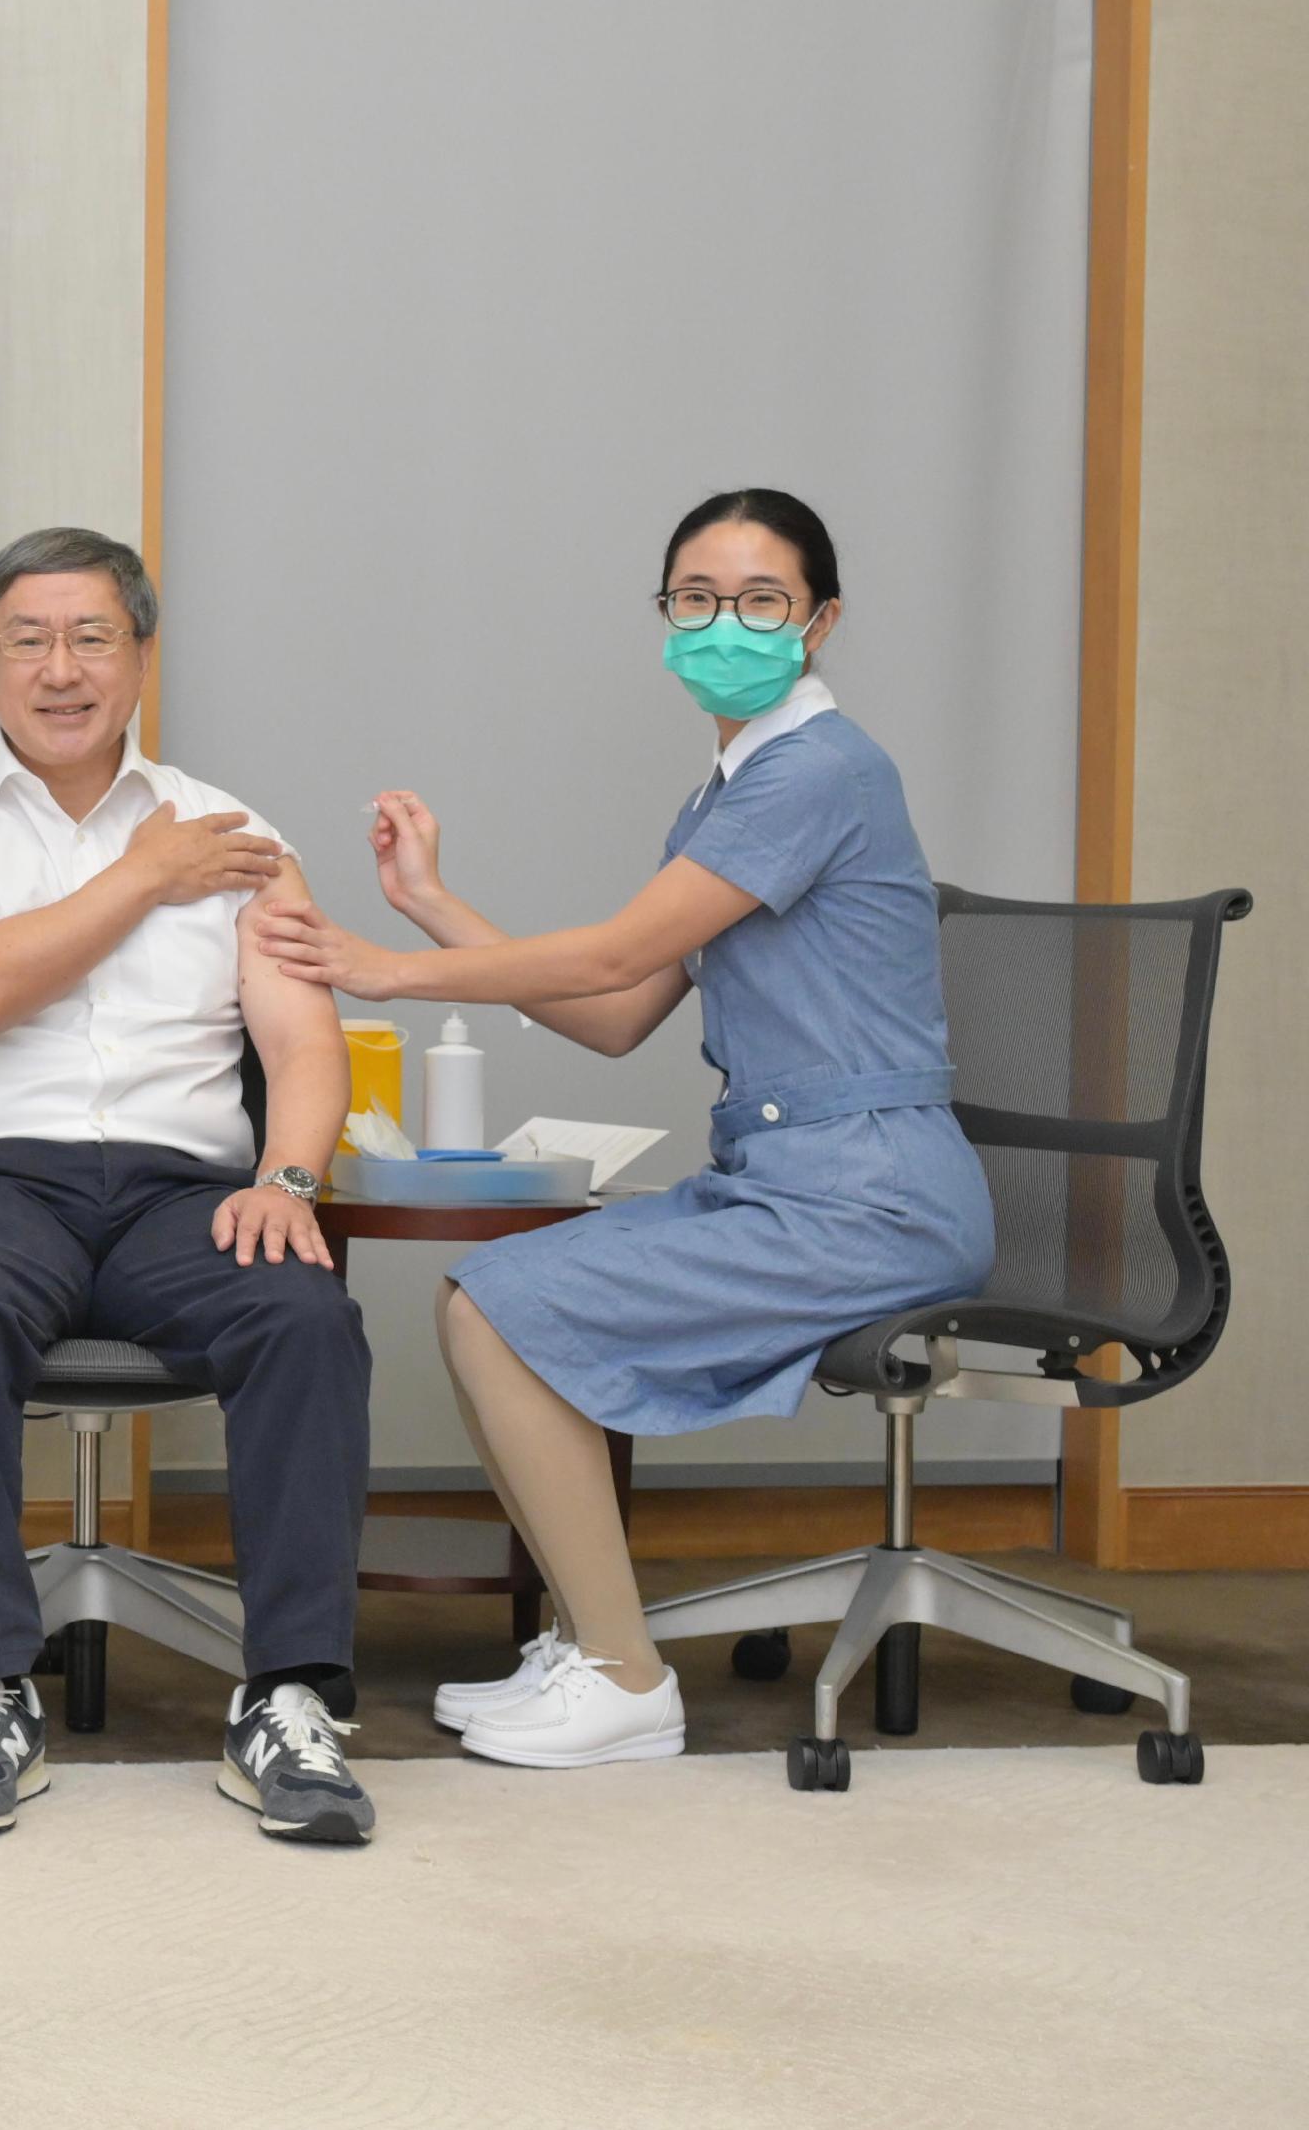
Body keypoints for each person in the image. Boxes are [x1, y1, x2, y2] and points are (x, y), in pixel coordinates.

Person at [254, 489, 988, 1771]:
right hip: (794, 1176)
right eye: (695, 599)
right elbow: (616, 1010)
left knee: (496, 1306)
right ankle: (593, 1647)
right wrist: (430, 904)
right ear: (664, 617)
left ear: (817, 622)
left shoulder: (816, 772)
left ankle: (623, 1674)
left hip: (868, 1190)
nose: (725, 624)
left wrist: (382, 970)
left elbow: (617, 950)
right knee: (493, 1300)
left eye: (759, 601)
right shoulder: (729, 791)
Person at [0, 525, 373, 1845]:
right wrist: (146, 871)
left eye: (94, 635)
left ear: (141, 653)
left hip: (175, 1191)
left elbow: (303, 1040)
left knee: (305, 1309)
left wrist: (292, 1176)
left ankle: (292, 1695)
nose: (62, 667)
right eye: (28, 638)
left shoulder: (239, 833)